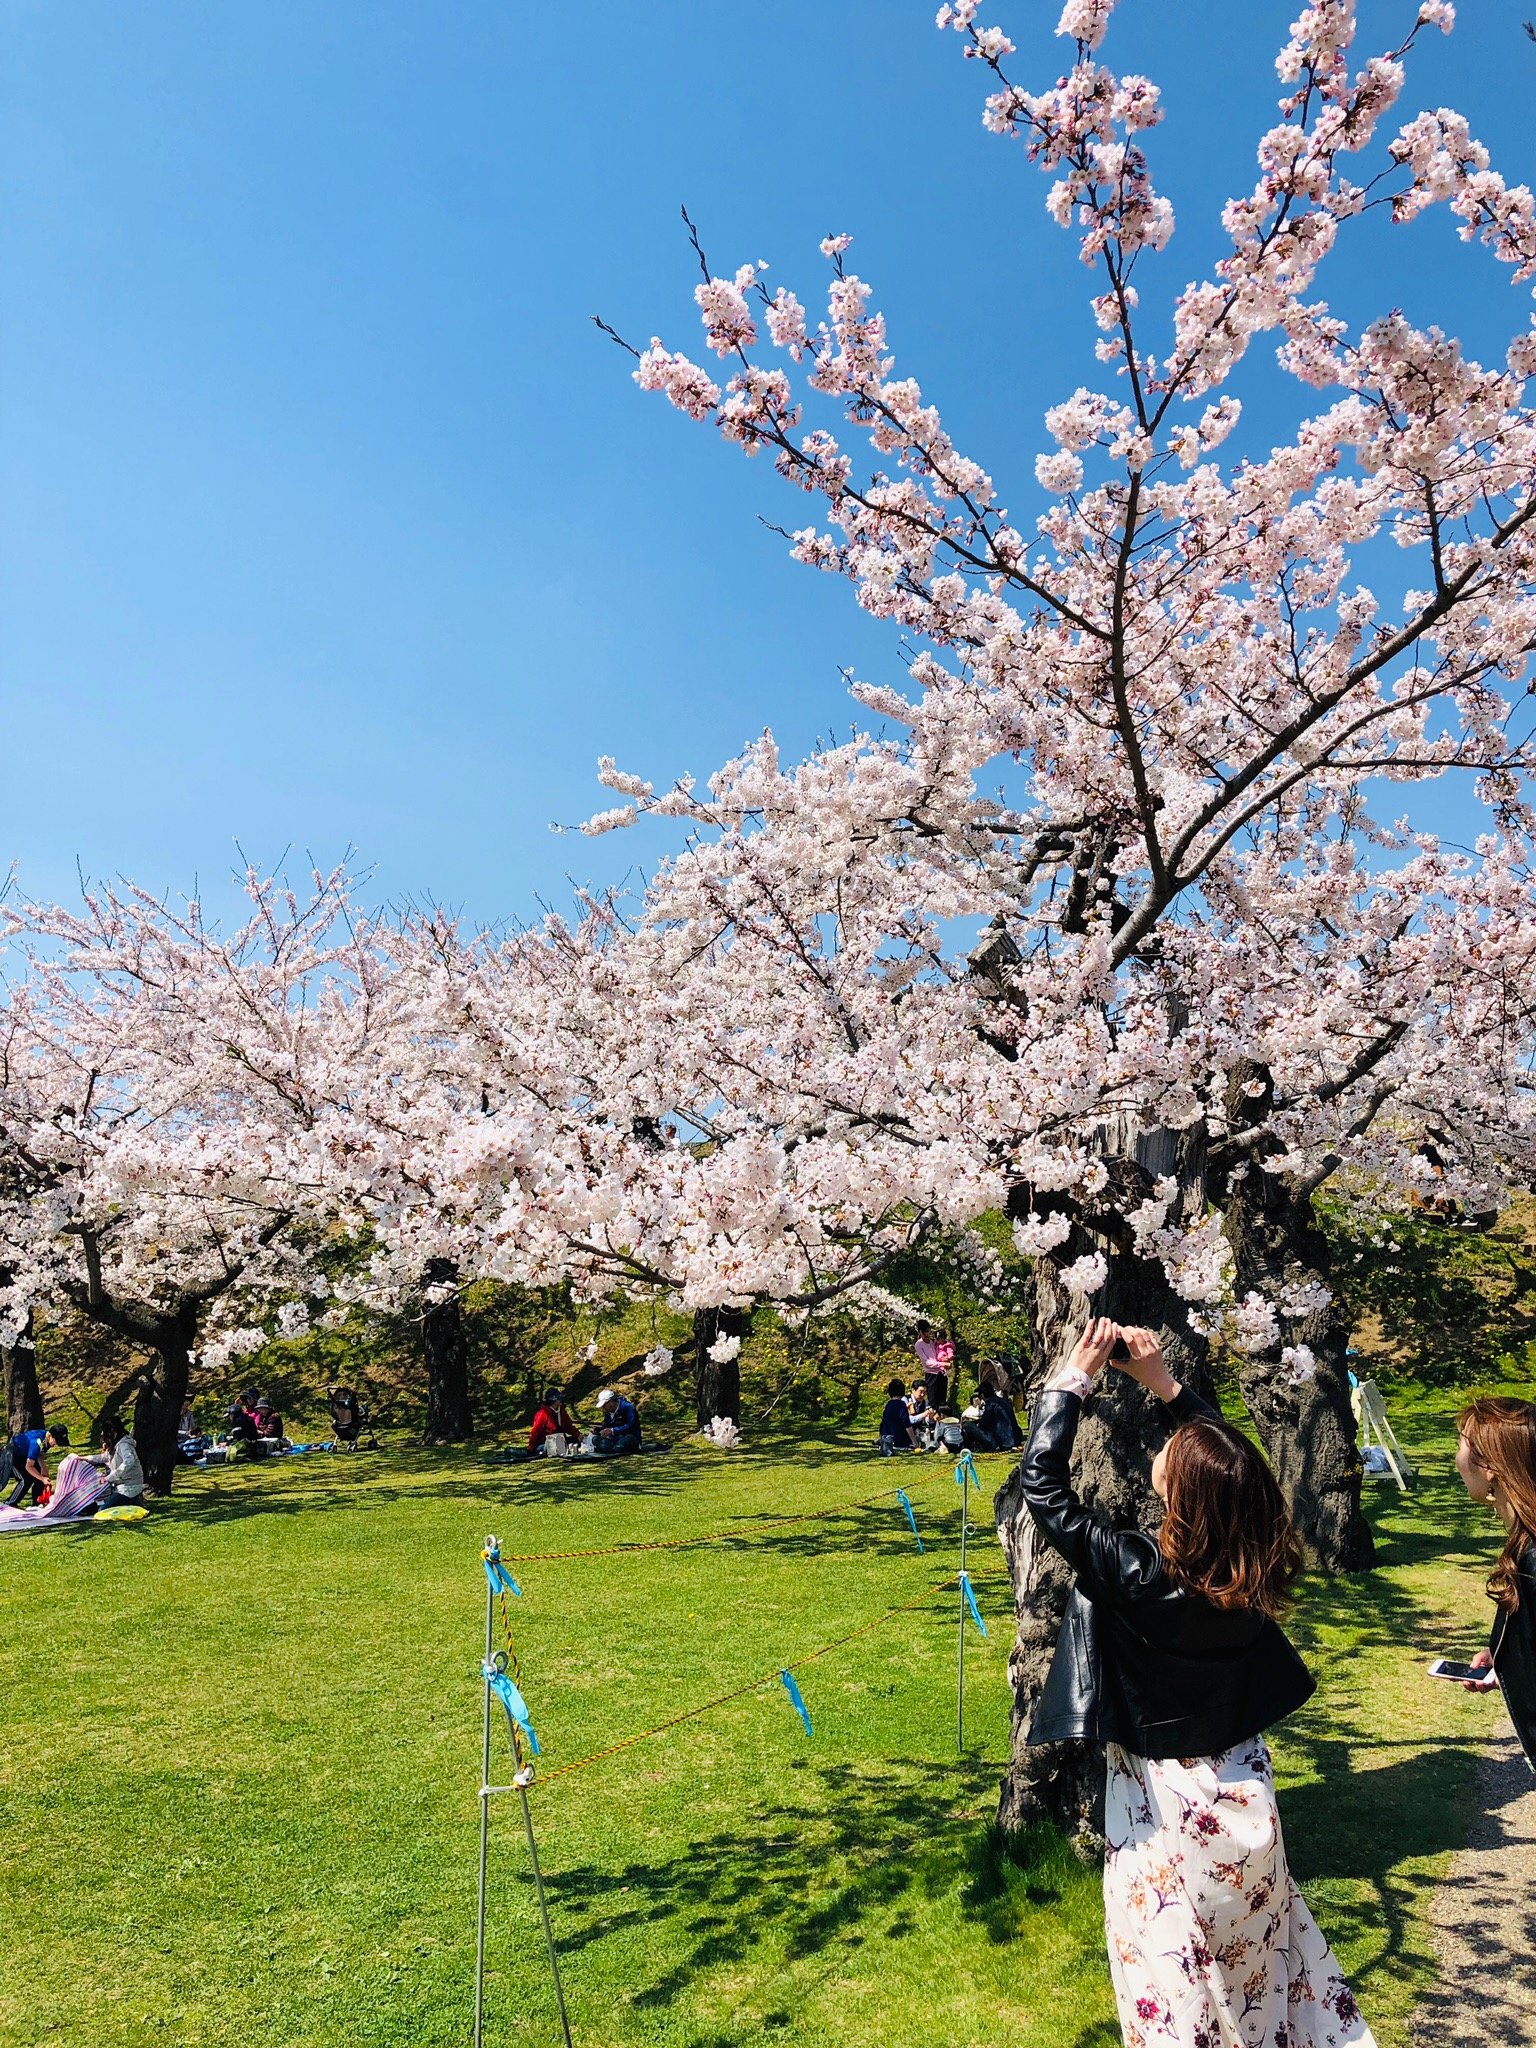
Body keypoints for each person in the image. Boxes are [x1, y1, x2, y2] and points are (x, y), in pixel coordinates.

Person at [1019, 1317, 1375, 2048]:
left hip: (1166, 1805)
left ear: (1181, 1491)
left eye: (1175, 1454)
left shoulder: (1142, 1574)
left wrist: (1069, 1384)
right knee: (1255, 1961)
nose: (1166, 1449)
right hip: (1244, 1792)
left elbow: (1044, 1491)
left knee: (1170, 1972)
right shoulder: (1254, 1567)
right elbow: (1237, 1476)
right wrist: (1166, 1387)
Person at [1453, 1396, 1536, 1771]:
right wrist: (1506, 1659)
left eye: (1462, 1445)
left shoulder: (1533, 1558)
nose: (1456, 1460)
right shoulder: (1523, 1545)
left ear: (1489, 1467)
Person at [86, 1418, 147, 1511]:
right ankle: (133, 1501)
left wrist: (108, 1478)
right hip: (120, 1486)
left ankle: (133, 1501)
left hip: (128, 1486)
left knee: (103, 1510)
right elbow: (105, 1457)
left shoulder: (124, 1445)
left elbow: (128, 1462)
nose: (103, 1435)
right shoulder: (116, 1445)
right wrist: (85, 1458)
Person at [3, 1422, 69, 1508]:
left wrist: (43, 1468)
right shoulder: (36, 1442)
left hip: (25, 1455)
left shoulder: (46, 1438)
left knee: (40, 1475)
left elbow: (39, 1454)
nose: (55, 1445)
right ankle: (10, 1503)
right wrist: (42, 1478)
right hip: (13, 1454)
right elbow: (29, 1466)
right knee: (26, 1479)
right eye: (56, 1442)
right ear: (50, 1435)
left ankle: (37, 1502)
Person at [588, 1387, 642, 1457]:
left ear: (611, 1401)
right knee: (596, 1439)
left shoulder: (627, 1407)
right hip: (614, 1439)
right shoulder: (608, 1412)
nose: (604, 1408)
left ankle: (610, 1448)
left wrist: (613, 1430)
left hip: (631, 1437)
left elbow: (630, 1425)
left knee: (620, 1445)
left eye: (604, 1405)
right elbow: (606, 1426)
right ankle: (608, 1447)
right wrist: (597, 1430)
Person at [528, 1387, 578, 1457]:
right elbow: (536, 1432)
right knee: (557, 1446)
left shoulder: (562, 1411)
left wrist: (578, 1435)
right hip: (545, 1444)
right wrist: (531, 1448)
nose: (560, 1400)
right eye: (558, 1399)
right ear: (553, 1400)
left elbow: (568, 1426)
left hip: (560, 1440)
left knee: (575, 1441)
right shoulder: (542, 1413)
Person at [913, 1322, 950, 1408]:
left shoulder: (933, 1341)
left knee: (942, 1399)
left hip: (941, 1373)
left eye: (928, 1331)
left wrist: (945, 1358)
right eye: (924, 1332)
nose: (926, 1334)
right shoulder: (919, 1344)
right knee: (933, 1400)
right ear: (920, 1332)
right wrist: (943, 1364)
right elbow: (927, 1363)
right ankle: (933, 1419)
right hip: (931, 1375)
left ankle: (942, 1418)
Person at [878, 1377, 918, 1454]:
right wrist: (914, 1442)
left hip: (886, 1438)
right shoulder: (901, 1404)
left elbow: (883, 1423)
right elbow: (906, 1423)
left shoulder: (888, 1404)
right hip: (899, 1440)